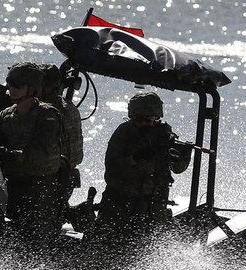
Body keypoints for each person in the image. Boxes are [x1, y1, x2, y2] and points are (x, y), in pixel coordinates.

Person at [97, 92, 191, 248]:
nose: (144, 124)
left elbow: (178, 169)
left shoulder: (163, 135)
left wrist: (182, 154)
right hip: (120, 203)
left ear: (156, 118)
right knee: (105, 246)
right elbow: (112, 167)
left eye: (148, 120)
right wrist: (135, 157)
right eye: (138, 120)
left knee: (146, 250)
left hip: (152, 205)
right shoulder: (124, 132)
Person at [0, 63, 62, 247]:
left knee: (30, 245)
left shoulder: (47, 116)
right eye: (10, 84)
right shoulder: (8, 113)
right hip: (10, 185)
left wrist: (12, 155)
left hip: (38, 191)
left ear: (32, 89)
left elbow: (43, 153)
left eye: (18, 85)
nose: (12, 89)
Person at [38, 63, 84, 229]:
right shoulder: (65, 106)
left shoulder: (51, 112)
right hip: (62, 178)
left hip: (52, 180)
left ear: (47, 87)